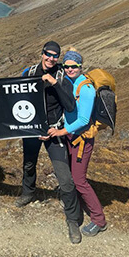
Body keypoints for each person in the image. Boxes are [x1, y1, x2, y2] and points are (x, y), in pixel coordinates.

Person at [15, 41, 83, 244]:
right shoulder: (29, 72)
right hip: (32, 130)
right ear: (42, 53)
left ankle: (73, 219)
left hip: (55, 131)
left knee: (65, 177)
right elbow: (16, 96)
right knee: (28, 163)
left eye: (55, 55)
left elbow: (70, 105)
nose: (51, 58)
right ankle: (28, 192)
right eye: (48, 54)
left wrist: (53, 82)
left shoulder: (63, 76)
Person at [48, 48, 107, 237]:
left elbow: (82, 120)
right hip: (71, 137)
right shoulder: (69, 82)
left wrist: (60, 131)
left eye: (74, 66)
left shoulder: (86, 89)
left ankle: (99, 220)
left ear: (81, 67)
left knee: (80, 181)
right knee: (74, 177)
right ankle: (80, 206)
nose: (69, 69)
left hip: (81, 140)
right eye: (66, 66)